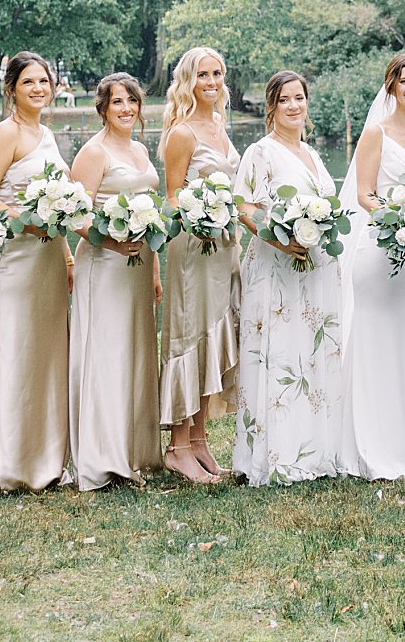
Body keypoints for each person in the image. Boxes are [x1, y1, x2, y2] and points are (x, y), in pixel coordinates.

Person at [337, 53, 405, 481]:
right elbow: (365, 194)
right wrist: (401, 220)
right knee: (376, 342)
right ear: (391, 87)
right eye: (404, 81)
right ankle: (372, 445)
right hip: (381, 250)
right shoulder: (374, 133)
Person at [234, 71, 347, 487]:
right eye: (285, 100)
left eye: (300, 98)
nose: (295, 106)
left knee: (311, 356)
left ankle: (315, 450)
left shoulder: (313, 155)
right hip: (277, 267)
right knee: (280, 355)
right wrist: (280, 240)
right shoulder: (260, 153)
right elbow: (244, 207)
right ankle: (275, 453)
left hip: (315, 269)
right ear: (272, 106)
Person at [0, 52, 72, 494]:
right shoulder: (5, 133)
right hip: (14, 258)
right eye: (28, 81)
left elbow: (62, 204)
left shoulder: (46, 134)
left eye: (44, 81)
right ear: (11, 88)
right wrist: (22, 218)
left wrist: (67, 257)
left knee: (43, 358)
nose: (38, 88)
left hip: (47, 259)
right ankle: (6, 463)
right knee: (11, 352)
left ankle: (44, 459)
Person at [65, 73, 164, 490]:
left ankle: (133, 450)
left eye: (132, 101)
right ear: (103, 108)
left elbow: (151, 211)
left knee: (134, 354)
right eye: (117, 102)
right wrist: (111, 239)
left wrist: (155, 269)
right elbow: (74, 213)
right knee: (105, 354)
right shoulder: (93, 152)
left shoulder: (140, 149)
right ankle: (103, 458)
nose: (126, 109)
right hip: (104, 267)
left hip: (139, 269)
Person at [158, 46, 240, 485]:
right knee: (189, 339)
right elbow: (171, 197)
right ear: (188, 80)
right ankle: (178, 447)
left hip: (225, 247)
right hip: (193, 247)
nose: (211, 82)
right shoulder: (182, 133)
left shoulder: (220, 126)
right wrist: (200, 219)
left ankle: (201, 439)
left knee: (214, 336)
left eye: (217, 74)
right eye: (202, 75)